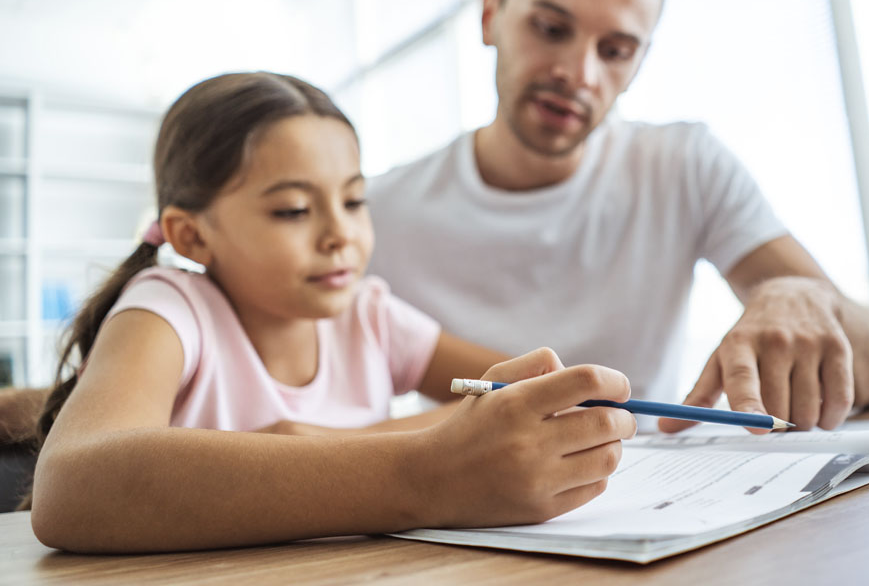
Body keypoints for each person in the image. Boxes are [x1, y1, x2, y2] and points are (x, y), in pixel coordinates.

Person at [366, 0, 869, 433]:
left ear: (642, 58)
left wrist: (803, 296)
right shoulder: (374, 213)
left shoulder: (683, 166)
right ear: (490, 15)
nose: (579, 74)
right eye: (550, 29)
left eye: (616, 51)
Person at [26, 72, 636, 553]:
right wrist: (422, 471)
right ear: (192, 236)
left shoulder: (368, 314)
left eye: (353, 200)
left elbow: (532, 395)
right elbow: (70, 486)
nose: (339, 234)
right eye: (293, 210)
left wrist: (324, 441)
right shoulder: (169, 307)